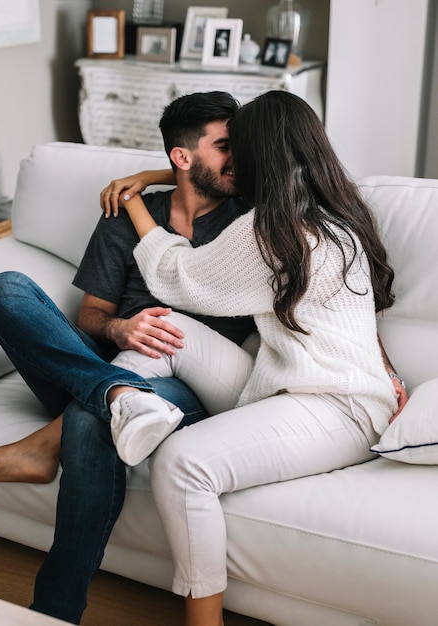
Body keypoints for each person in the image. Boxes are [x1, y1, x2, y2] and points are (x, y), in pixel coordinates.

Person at [0, 91, 257, 623]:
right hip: (102, 361)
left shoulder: (249, 215)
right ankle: (111, 392)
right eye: (225, 146)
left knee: (93, 426)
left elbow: (305, 184)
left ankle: (54, 611)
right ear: (185, 157)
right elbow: (91, 315)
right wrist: (119, 327)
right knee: (4, 289)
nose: (240, 159)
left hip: (184, 385)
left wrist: (151, 173)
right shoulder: (127, 215)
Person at [108, 90, 403, 626]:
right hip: (289, 383)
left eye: (236, 149)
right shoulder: (339, 208)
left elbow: (178, 276)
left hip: (339, 408)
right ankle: (125, 401)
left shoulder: (274, 229)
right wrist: (160, 173)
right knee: (164, 327)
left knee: (181, 462)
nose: (232, 161)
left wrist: (135, 199)